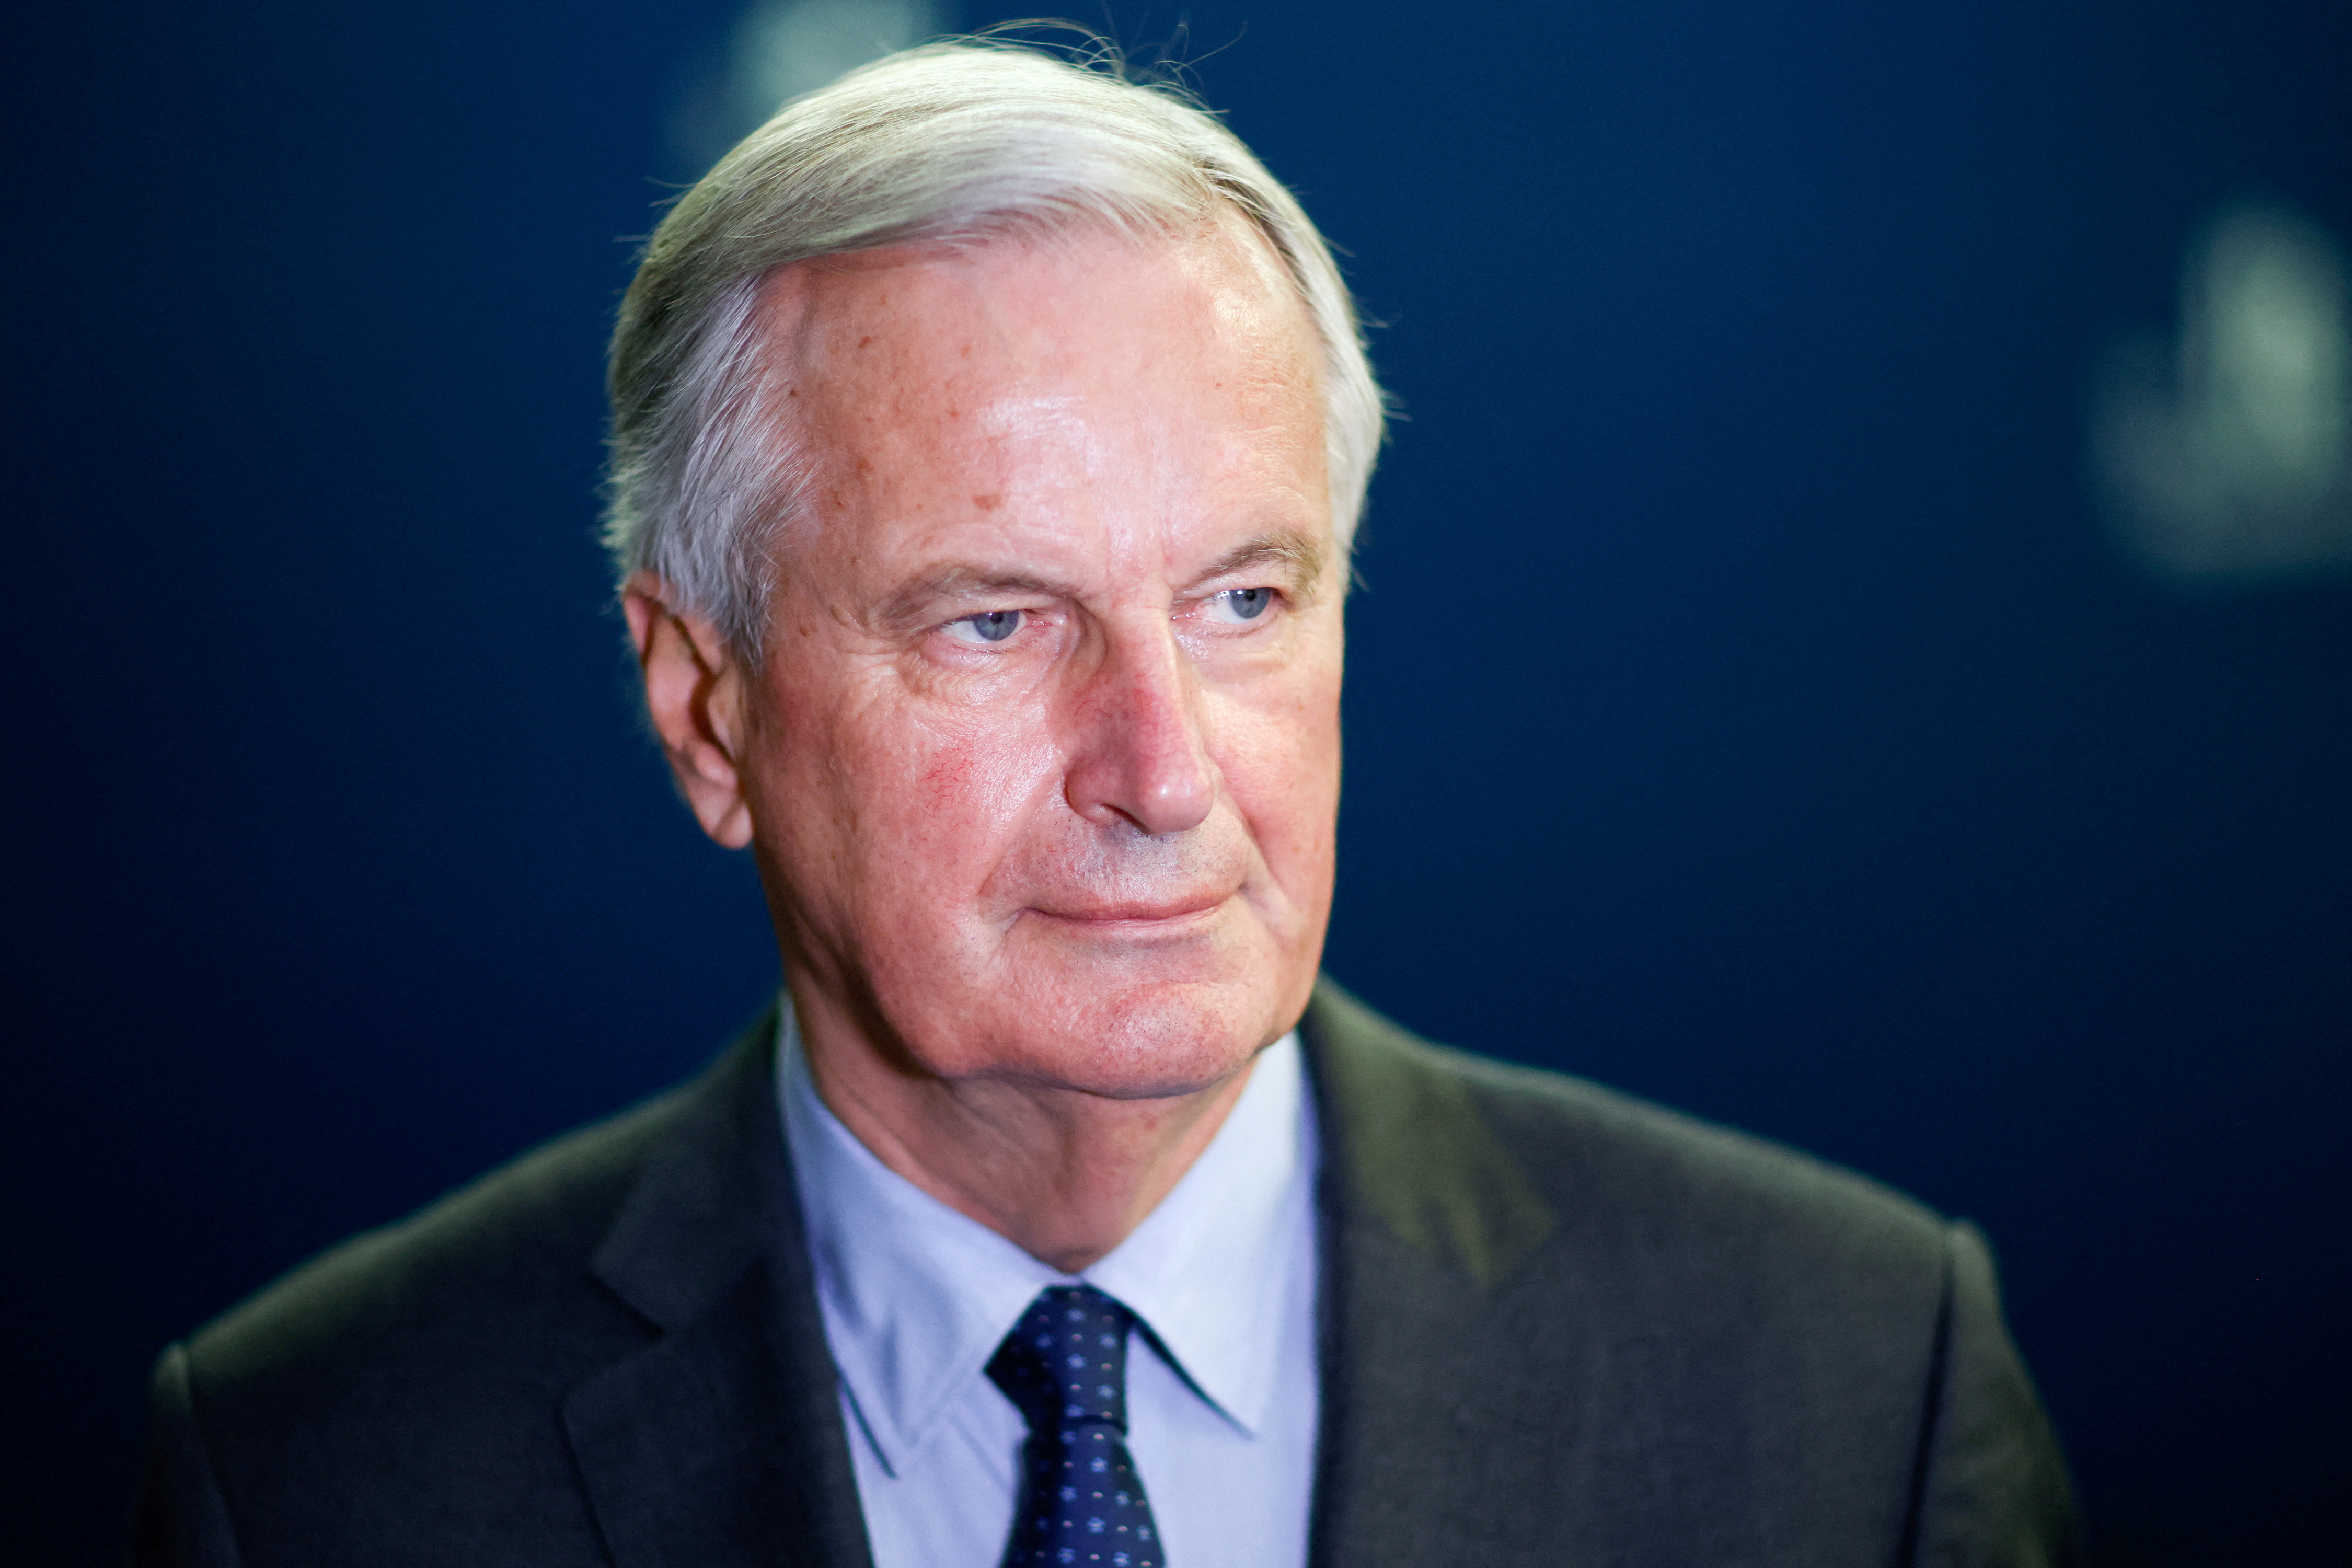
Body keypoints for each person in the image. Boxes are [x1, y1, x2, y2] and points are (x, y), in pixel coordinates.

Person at [132, 41, 2077, 1568]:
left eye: (1243, 600)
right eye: (993, 622)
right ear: (706, 714)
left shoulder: (1848, 1388)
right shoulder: (317, 1471)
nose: (1162, 771)